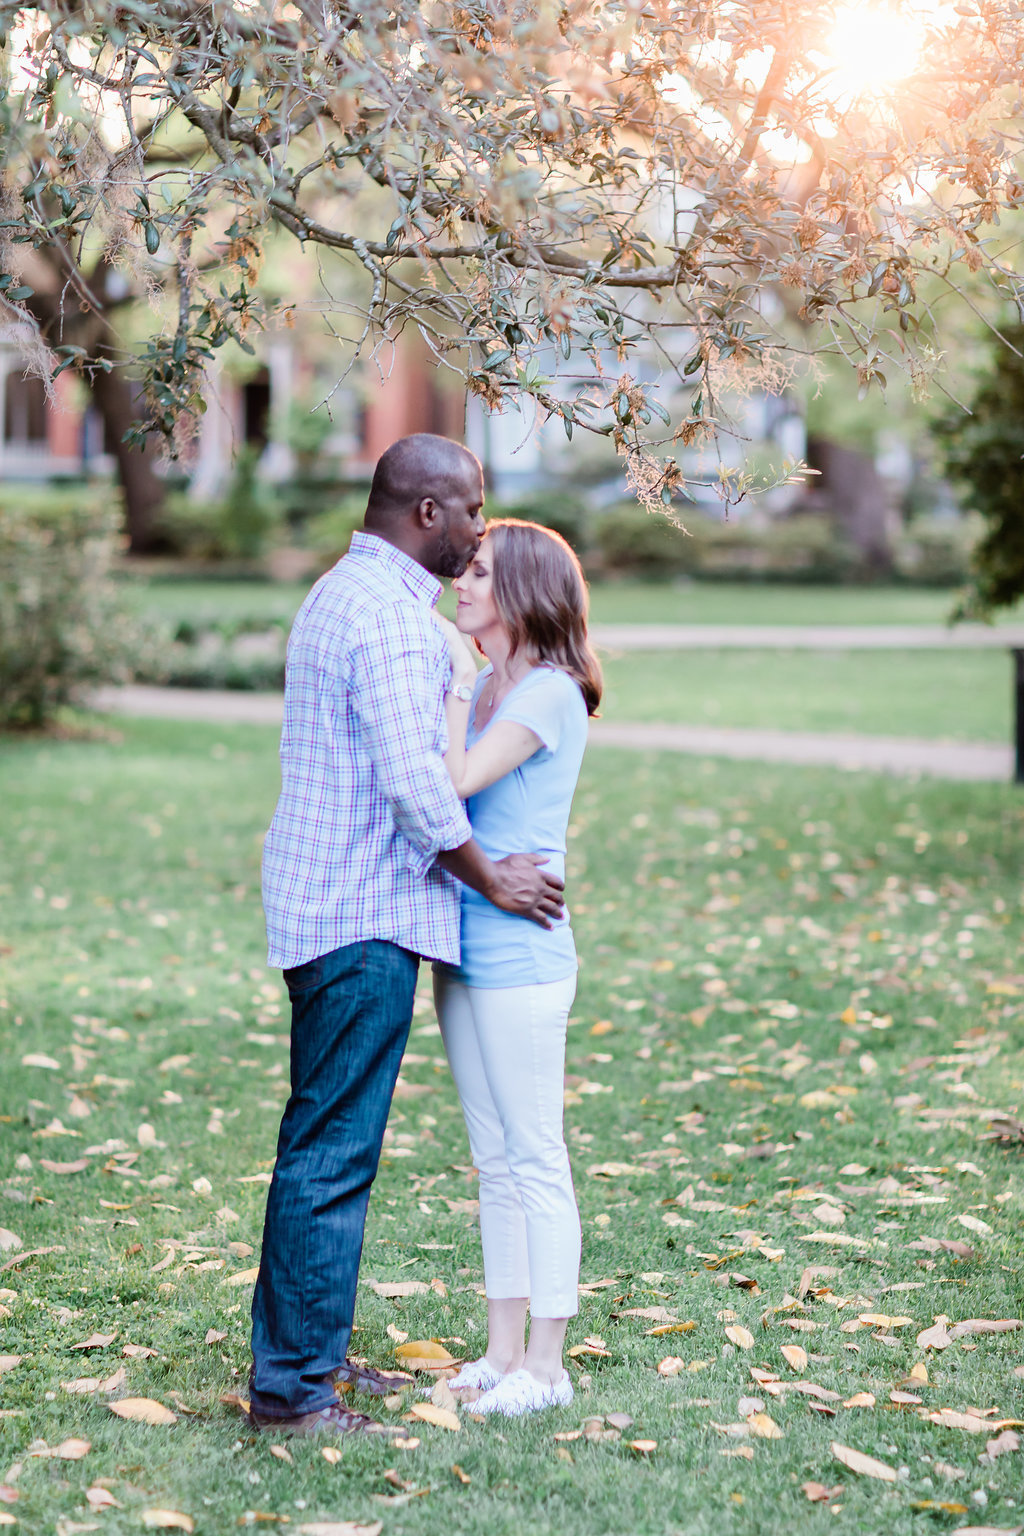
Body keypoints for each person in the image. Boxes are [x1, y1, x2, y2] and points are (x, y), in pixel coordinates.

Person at [249, 437, 566, 1439]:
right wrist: (491, 878)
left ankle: (311, 1357)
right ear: (428, 513)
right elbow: (412, 782)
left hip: (334, 905)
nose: (481, 529)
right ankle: (294, 1392)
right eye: (472, 510)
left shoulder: (353, 593)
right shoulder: (389, 618)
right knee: (331, 1150)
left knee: (325, 1141)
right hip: (357, 913)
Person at [431, 518, 602, 1418]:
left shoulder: (544, 694)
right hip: (463, 945)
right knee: (493, 1160)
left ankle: (548, 1364)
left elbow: (452, 782)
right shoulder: (497, 686)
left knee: (535, 1155)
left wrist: (456, 689)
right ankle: (500, 1353)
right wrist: (468, 687)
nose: (460, 582)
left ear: (524, 592)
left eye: (479, 571)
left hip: (524, 957)